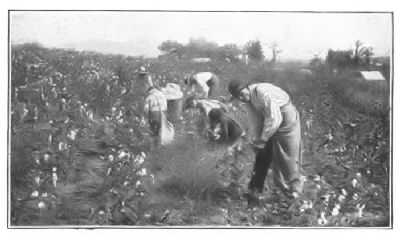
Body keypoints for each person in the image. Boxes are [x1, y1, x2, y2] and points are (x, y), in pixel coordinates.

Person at [228, 79, 302, 205]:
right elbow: (255, 120)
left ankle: (295, 191)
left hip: (285, 117)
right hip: (270, 120)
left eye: (241, 94)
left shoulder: (262, 93)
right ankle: (257, 190)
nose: (241, 98)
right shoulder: (249, 100)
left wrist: (263, 138)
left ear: (247, 87)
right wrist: (256, 139)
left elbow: (275, 118)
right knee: (264, 153)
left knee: (287, 154)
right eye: (237, 97)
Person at [139, 66, 174, 146]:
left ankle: (155, 149)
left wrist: (144, 121)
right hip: (163, 116)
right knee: (162, 134)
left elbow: (146, 112)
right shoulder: (161, 94)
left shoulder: (149, 97)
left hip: (155, 119)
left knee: (154, 136)